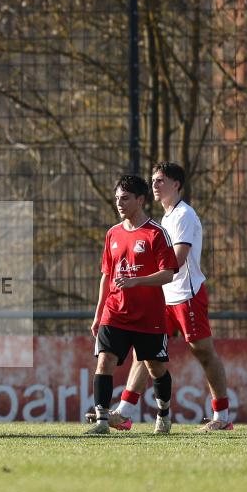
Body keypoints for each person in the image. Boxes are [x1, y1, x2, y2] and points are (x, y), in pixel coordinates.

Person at [106, 163, 233, 431]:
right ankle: (124, 412)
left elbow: (175, 262)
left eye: (160, 180)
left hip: (186, 295)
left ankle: (222, 417)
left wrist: (139, 278)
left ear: (176, 184)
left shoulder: (184, 215)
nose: (154, 185)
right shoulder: (165, 218)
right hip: (163, 296)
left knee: (204, 352)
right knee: (146, 352)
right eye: (152, 180)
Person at [87, 175, 178, 435]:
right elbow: (106, 276)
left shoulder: (156, 233)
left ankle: (164, 413)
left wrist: (136, 282)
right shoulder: (112, 234)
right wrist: (98, 313)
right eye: (117, 198)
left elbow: (169, 273)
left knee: (155, 367)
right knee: (104, 362)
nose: (119, 203)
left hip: (149, 316)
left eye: (125, 198)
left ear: (140, 199)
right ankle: (103, 421)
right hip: (114, 312)